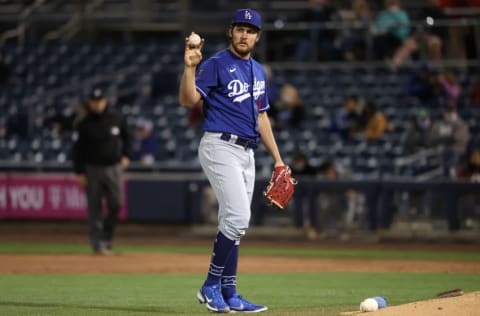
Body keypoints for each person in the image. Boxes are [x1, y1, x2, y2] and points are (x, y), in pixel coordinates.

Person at [179, 8, 287, 313]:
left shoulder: (258, 70)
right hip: (219, 145)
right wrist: (189, 69)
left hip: (247, 152)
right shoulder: (215, 64)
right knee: (239, 218)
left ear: (258, 36)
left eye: (250, 31)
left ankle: (230, 292)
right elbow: (188, 100)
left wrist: (278, 160)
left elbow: (262, 117)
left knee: (235, 224)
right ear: (230, 31)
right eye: (240, 29)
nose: (244, 35)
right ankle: (210, 285)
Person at [72, 88, 132, 255]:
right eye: (94, 101)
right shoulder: (83, 123)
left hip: (113, 167)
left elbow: (128, 137)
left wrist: (127, 154)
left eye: (100, 101)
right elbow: (76, 150)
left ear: (105, 101)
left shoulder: (116, 118)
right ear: (90, 102)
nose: (97, 104)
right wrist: (79, 172)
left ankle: (106, 236)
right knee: (94, 207)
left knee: (117, 203)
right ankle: (98, 243)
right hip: (92, 169)